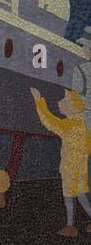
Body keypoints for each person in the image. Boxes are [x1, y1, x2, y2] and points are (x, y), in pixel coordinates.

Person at [30, 87, 91, 237]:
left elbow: (49, 120)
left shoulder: (68, 125)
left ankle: (70, 226)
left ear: (72, 107)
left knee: (69, 196)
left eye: (64, 101)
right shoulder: (84, 125)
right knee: (81, 195)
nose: (59, 103)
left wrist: (39, 100)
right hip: (81, 168)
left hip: (70, 168)